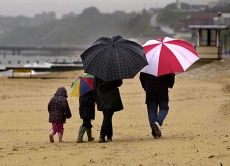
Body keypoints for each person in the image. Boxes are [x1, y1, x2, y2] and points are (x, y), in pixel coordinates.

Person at [139, 72, 175, 138]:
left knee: (152, 111)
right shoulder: (166, 64)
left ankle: (154, 133)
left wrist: (146, 87)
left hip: (150, 91)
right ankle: (158, 122)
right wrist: (169, 84)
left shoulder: (146, 65)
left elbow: (141, 78)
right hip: (162, 90)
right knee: (164, 108)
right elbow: (171, 78)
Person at [94, 77, 123, 143]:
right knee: (108, 116)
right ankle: (102, 135)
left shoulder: (99, 71)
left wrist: (95, 97)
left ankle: (109, 135)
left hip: (101, 96)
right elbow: (119, 83)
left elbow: (95, 85)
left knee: (107, 115)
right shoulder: (114, 71)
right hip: (111, 95)